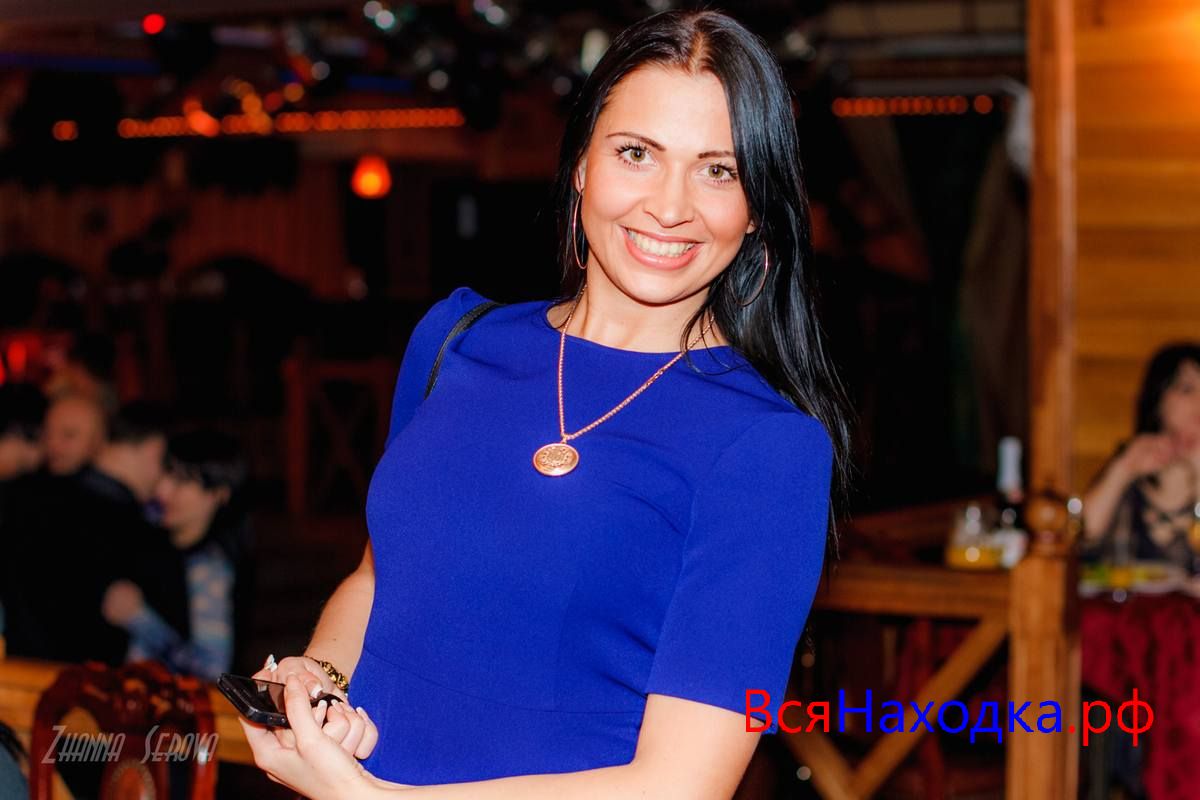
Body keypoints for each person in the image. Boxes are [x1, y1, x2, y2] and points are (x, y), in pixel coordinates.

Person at [241, 10, 851, 799]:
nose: (670, 206)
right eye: (637, 154)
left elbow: (683, 784)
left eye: (718, 171)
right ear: (583, 164)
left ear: (757, 207)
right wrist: (318, 682)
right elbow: (377, 575)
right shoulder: (456, 341)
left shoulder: (768, 447)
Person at [0, 402, 189, 664]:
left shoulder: (22, 497)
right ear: (154, 448)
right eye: (170, 467)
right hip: (84, 682)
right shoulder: (141, 534)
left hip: (17, 674)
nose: (166, 485)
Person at [103, 430, 250, 681]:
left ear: (218, 494)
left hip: (177, 703)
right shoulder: (151, 534)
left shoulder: (209, 568)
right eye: (165, 474)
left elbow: (212, 669)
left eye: (182, 481)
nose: (163, 490)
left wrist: (139, 618)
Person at [1080, 343, 1200, 571]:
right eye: (1187, 389)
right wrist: (1122, 469)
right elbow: (1081, 538)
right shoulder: (1132, 469)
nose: (1199, 400)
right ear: (1158, 402)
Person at [40, 391, 106, 477]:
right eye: (48, 434)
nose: (53, 445)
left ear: (97, 441)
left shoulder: (105, 484)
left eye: (68, 435)